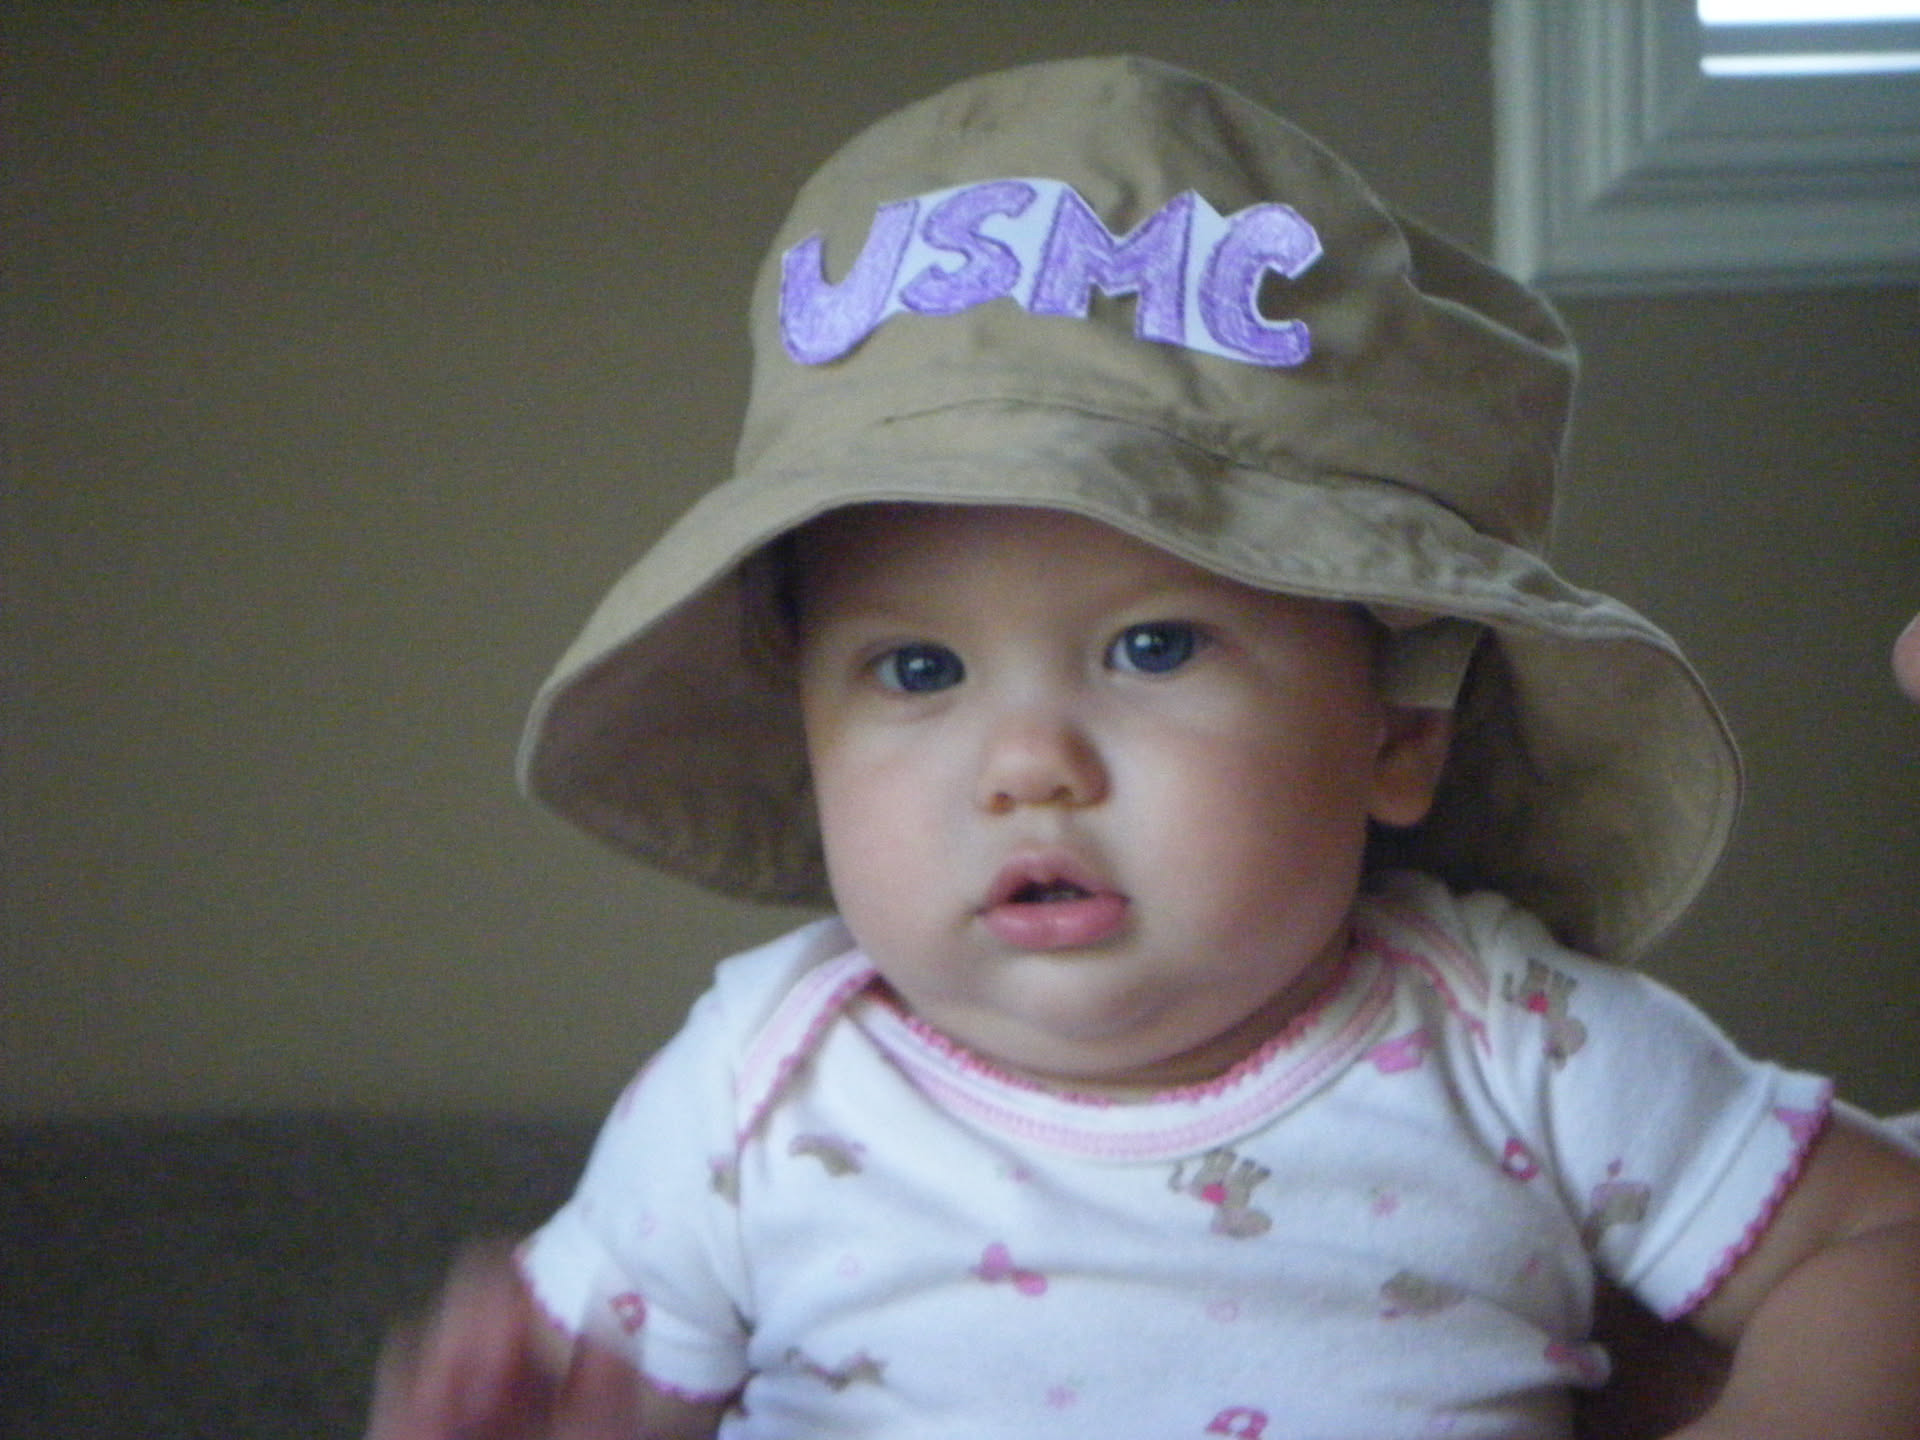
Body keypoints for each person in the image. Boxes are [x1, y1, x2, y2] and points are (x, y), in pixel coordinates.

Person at [365, 56, 1920, 1440]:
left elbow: (1880, 1240)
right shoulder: (756, 1089)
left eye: (1153, 647)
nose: (1028, 764)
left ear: (1397, 733)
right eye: (918, 668)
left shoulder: (1519, 1043)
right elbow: (603, 1399)